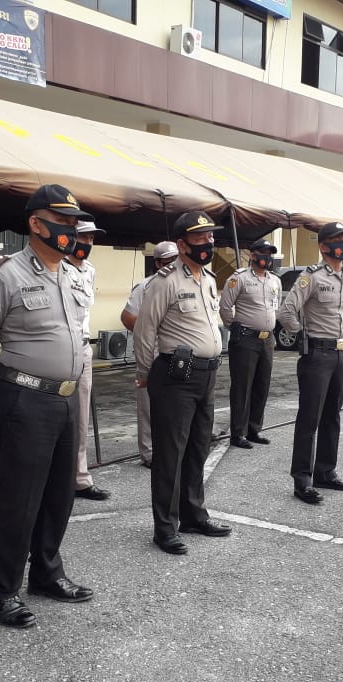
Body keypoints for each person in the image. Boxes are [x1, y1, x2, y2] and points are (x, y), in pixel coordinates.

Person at [0, 183, 95, 628]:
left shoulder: (73, 274)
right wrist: (11, 386)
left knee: (58, 495)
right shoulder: (4, 274)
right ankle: (2, 589)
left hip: (66, 397)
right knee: (18, 498)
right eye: (62, 222)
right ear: (36, 224)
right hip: (24, 398)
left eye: (74, 223)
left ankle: (46, 574)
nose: (71, 231)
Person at [134, 211, 232, 554]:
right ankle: (165, 526)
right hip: (175, 375)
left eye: (210, 238)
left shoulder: (207, 278)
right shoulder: (165, 281)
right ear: (182, 243)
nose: (208, 243)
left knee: (197, 448)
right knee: (170, 453)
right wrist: (145, 374)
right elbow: (145, 330)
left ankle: (193, 514)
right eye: (200, 238)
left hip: (207, 373)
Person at [276, 222, 343, 505]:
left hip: (341, 354)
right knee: (309, 419)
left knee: (332, 416)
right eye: (337, 240)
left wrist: (342, 335)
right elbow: (287, 311)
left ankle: (326, 471)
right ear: (323, 246)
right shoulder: (310, 277)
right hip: (317, 355)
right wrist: (304, 335)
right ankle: (302, 479)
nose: (342, 244)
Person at [120, 241, 179, 468]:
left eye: (176, 260)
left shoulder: (187, 283)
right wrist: (149, 330)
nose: (173, 265)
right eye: (168, 261)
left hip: (178, 352)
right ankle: (150, 453)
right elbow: (127, 317)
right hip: (153, 350)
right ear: (157, 263)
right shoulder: (146, 286)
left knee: (175, 405)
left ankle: (171, 448)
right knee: (149, 404)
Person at [220, 238, 280, 449]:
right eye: (263, 253)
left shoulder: (274, 280)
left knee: (262, 385)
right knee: (242, 387)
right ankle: (238, 433)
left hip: (267, 339)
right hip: (245, 339)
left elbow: (275, 306)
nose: (268, 257)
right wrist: (236, 328)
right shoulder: (239, 279)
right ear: (253, 255)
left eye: (270, 253)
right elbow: (225, 308)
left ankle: (254, 429)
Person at [68, 219, 111, 501]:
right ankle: (54, 477)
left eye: (92, 239)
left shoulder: (90, 270)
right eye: (83, 237)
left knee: (81, 416)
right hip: (58, 349)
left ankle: (80, 478)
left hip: (82, 348)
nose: (88, 244)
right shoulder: (58, 267)